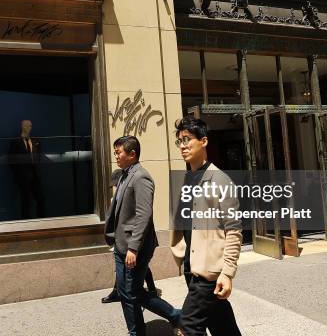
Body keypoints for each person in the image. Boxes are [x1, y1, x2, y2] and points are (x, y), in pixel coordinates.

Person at [170, 117, 243, 336]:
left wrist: (227, 273)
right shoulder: (186, 180)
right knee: (223, 326)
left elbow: (234, 229)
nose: (182, 145)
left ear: (203, 141)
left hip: (208, 272)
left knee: (187, 328)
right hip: (191, 267)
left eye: (187, 139)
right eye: (179, 141)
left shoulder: (220, 180)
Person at [104, 136, 181, 335]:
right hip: (121, 245)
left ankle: (175, 315)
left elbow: (143, 215)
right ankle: (137, 331)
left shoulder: (141, 177)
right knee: (125, 293)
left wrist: (133, 248)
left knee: (133, 292)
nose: (116, 156)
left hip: (134, 248)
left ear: (132, 154)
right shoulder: (123, 175)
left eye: (118, 152)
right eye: (115, 152)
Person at [102, 169, 160, 304]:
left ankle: (168, 310)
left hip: (134, 240)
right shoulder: (116, 197)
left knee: (138, 275)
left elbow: (143, 215)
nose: (115, 187)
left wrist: (133, 246)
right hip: (121, 240)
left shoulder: (140, 180)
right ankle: (119, 291)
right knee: (127, 275)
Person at [8, 119, 45, 219]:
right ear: (22, 126)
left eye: (30, 126)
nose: (29, 128)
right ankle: (26, 222)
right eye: (27, 126)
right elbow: (11, 160)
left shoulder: (35, 141)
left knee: (40, 199)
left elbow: (39, 157)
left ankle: (42, 220)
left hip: (35, 175)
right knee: (26, 201)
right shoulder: (15, 142)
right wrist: (17, 175)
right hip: (23, 177)